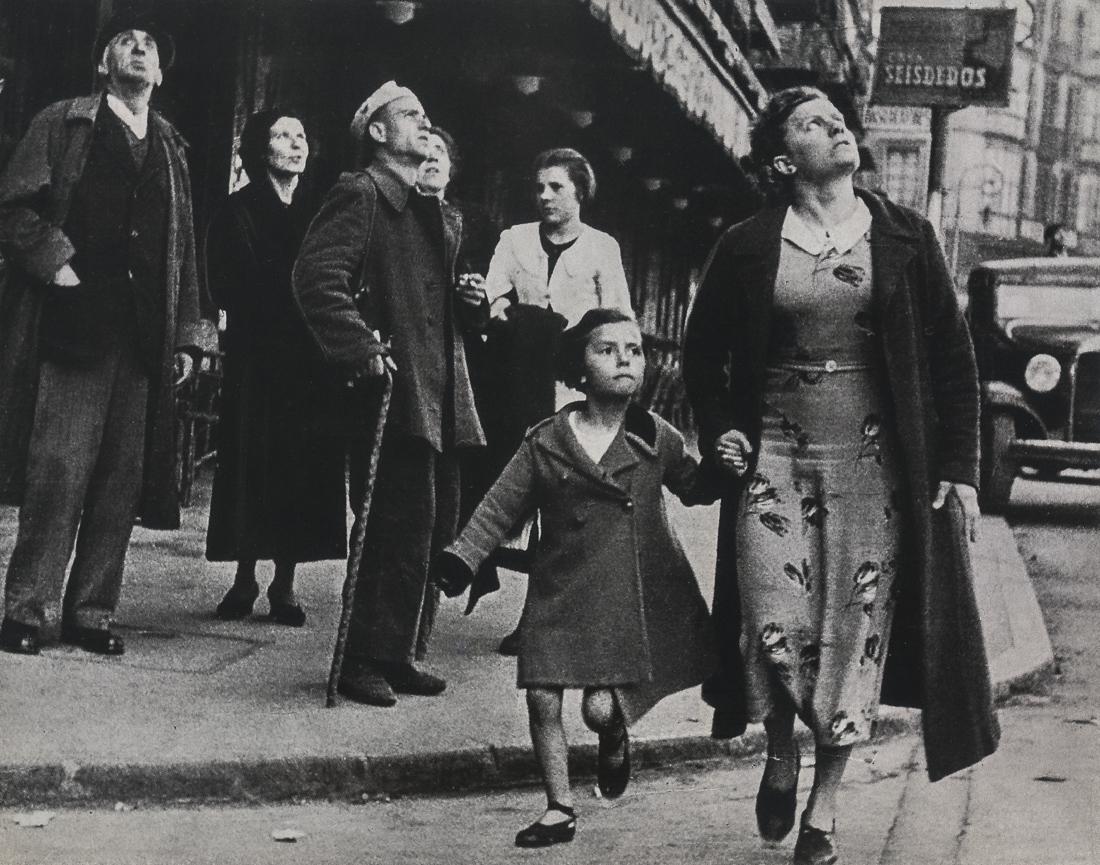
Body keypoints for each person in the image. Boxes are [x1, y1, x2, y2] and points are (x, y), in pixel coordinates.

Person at [682, 87, 999, 865]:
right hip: (774, 459)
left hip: (875, 468)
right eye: (812, 121)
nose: (837, 126)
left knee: (856, 631)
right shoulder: (748, 245)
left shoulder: (906, 237)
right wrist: (722, 429)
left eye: (838, 117)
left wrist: (960, 470)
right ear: (782, 159)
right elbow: (703, 352)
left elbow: (954, 362)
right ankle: (780, 746)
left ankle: (823, 809)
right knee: (774, 617)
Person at [434, 308, 716, 848]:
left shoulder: (656, 437)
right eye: (607, 349)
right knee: (542, 697)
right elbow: (499, 506)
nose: (624, 359)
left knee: (598, 708)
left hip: (622, 594)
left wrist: (727, 466)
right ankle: (559, 808)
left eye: (634, 350)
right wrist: (462, 557)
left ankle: (613, 736)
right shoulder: (546, 441)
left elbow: (696, 487)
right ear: (578, 369)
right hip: (559, 586)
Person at [0, 13, 216, 656]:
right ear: (103, 65)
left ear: (161, 73)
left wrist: (187, 335)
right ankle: (28, 610)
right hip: (75, 326)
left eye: (150, 46)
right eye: (126, 42)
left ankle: (92, 612)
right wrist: (57, 265)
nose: (140, 49)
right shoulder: (63, 124)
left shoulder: (171, 146)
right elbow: (13, 208)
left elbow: (183, 248)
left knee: (119, 483)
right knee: (58, 471)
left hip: (143, 337)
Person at [292, 81, 486, 706]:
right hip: (394, 394)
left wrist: (470, 302)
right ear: (377, 132)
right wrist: (362, 349)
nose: (425, 123)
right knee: (391, 530)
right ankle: (361, 660)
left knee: (432, 529)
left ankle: (399, 652)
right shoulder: (362, 193)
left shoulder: (431, 208)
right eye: (410, 115)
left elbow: (434, 307)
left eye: (427, 115)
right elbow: (317, 278)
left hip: (440, 395)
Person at [480, 148, 634, 652]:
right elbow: (493, 296)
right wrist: (508, 315)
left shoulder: (602, 248)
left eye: (556, 187)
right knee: (520, 491)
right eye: (539, 187)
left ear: (580, 193)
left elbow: (618, 318)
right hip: (521, 383)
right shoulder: (515, 239)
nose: (544, 196)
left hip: (574, 389)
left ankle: (540, 620)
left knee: (565, 505)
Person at [205, 110, 346, 627]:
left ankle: (285, 584)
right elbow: (225, 281)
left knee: (301, 465)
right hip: (258, 355)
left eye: (301, 135)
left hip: (311, 360)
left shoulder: (323, 210)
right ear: (260, 149)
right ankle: (244, 577)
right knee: (253, 462)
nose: (294, 144)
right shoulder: (237, 210)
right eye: (282, 136)